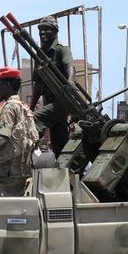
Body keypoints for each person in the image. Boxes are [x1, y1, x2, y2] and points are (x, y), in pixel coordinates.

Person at [0, 67, 38, 196]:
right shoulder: (23, 107)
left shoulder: (9, 108)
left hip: (7, 174)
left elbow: (4, 138)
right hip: (21, 172)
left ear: (8, 85)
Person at [30, 15, 75, 158]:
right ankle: (64, 169)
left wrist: (70, 80)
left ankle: (25, 153)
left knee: (34, 120)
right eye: (40, 30)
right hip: (50, 102)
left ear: (55, 31)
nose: (42, 33)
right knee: (59, 143)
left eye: (46, 30)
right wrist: (31, 106)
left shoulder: (62, 49)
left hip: (62, 101)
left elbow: (70, 66)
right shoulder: (39, 53)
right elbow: (38, 82)